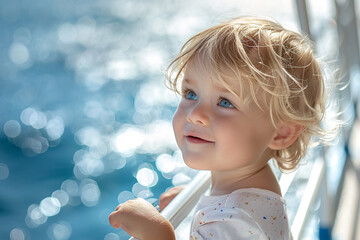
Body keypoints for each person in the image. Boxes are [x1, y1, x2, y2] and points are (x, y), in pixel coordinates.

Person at [108, 16, 334, 240]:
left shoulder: (232, 221)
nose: (195, 114)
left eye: (225, 102)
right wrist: (200, 201)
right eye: (191, 94)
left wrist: (157, 234)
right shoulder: (253, 195)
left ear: (282, 133)